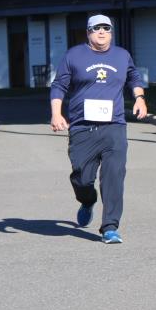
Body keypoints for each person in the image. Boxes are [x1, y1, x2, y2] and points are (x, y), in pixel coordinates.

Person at [50, 14, 147, 244]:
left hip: (114, 126)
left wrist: (140, 98)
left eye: (106, 28)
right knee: (82, 178)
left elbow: (134, 77)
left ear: (111, 32)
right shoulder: (74, 55)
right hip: (82, 127)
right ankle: (87, 200)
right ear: (88, 32)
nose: (101, 32)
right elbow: (59, 85)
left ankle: (110, 227)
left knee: (114, 175)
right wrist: (56, 113)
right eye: (96, 28)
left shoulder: (122, 55)